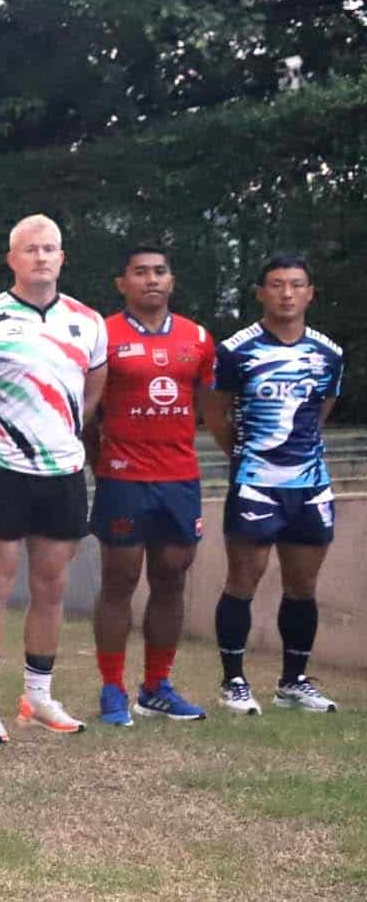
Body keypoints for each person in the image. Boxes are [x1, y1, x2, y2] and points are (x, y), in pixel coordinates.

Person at [0, 215, 106, 742]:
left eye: (50, 249)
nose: (41, 257)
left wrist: (60, 438)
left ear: (62, 257)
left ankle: (38, 697)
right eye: (30, 249)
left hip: (62, 472)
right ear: (12, 259)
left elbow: (92, 389)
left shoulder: (88, 321)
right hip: (1, 471)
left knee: (52, 587)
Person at [204, 254, 345, 715]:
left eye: (296, 284)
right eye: (277, 284)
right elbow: (216, 414)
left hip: (310, 486)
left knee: (303, 584)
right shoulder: (235, 350)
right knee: (243, 579)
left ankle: (294, 682)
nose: (286, 293)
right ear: (261, 293)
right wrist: (246, 458)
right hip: (256, 483)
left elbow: (321, 412)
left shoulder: (329, 354)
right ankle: (234, 682)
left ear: (310, 294)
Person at [84, 247, 213, 726]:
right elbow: (88, 415)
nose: (151, 280)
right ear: (123, 283)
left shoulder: (197, 337)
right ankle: (113, 688)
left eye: (159, 271)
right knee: (119, 580)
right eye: (140, 272)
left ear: (172, 280)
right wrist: (104, 465)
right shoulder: (105, 335)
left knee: (172, 579)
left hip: (179, 479)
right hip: (123, 478)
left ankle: (157, 686)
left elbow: (202, 403)